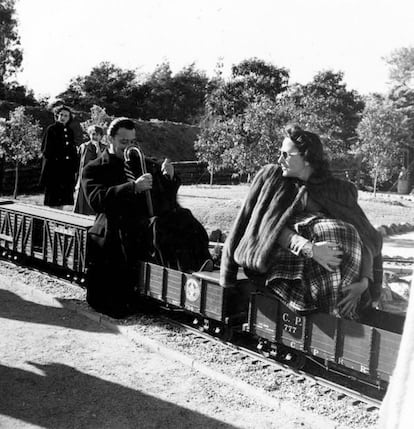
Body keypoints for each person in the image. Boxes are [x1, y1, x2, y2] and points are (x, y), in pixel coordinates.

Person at [220, 124, 383, 318]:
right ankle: (335, 318)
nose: (280, 159)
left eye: (286, 155)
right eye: (280, 153)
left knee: (343, 232)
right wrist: (310, 249)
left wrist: (364, 282)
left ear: (306, 158)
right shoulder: (273, 178)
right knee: (330, 231)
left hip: (326, 273)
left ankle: (338, 317)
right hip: (275, 268)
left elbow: (366, 236)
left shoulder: (336, 190)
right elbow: (261, 227)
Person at [82, 117, 212, 318]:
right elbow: (96, 200)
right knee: (157, 228)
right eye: (123, 142)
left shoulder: (142, 162)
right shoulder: (94, 168)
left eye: (132, 142)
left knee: (182, 217)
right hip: (115, 224)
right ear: (110, 139)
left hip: (143, 223)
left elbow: (163, 195)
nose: (128, 146)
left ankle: (199, 263)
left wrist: (169, 177)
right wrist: (132, 188)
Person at [39, 105, 79, 209]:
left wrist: (74, 166)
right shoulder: (51, 129)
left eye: (66, 115)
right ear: (57, 116)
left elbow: (72, 150)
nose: (63, 117)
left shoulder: (70, 131)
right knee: (53, 196)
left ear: (69, 117)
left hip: (66, 169)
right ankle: (51, 221)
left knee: (63, 197)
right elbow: (46, 150)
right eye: (61, 115)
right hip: (54, 169)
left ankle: (58, 221)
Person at [73, 125, 106, 215]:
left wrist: (98, 149)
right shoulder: (84, 146)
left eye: (97, 135)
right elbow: (78, 163)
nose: (95, 137)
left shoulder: (104, 148)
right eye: (93, 134)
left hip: (97, 179)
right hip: (83, 178)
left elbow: (102, 162)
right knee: (81, 203)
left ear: (101, 136)